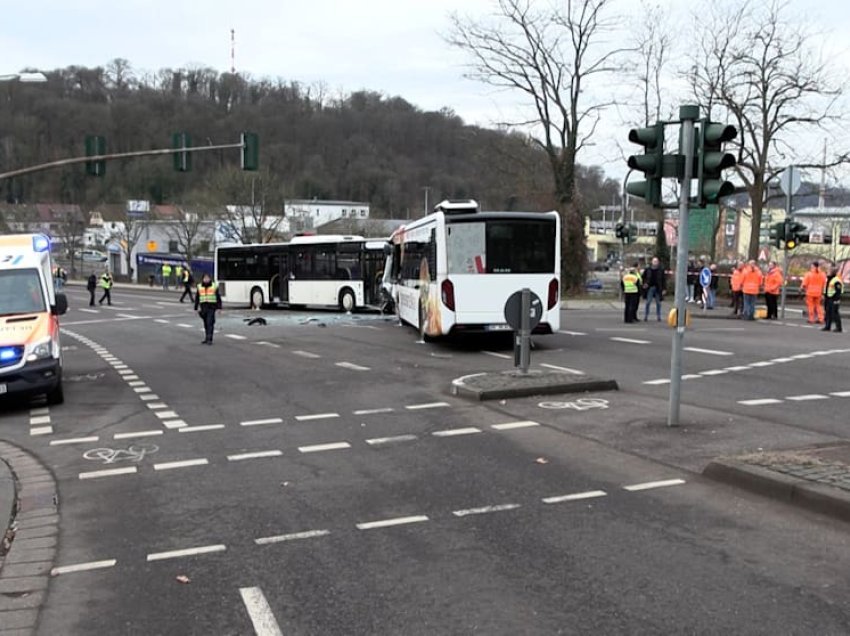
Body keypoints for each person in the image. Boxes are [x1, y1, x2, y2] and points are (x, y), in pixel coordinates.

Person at [194, 273, 222, 344]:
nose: (206, 279)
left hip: (212, 307)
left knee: (210, 322)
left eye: (207, 278)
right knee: (206, 323)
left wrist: (219, 308)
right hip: (203, 307)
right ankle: (207, 337)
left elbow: (218, 298)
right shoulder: (199, 286)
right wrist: (196, 308)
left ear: (210, 279)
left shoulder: (214, 286)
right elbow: (197, 297)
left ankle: (210, 338)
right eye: (205, 278)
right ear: (203, 279)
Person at [642, 256, 665, 321]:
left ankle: (658, 316)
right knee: (648, 302)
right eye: (654, 261)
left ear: (658, 262)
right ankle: (646, 316)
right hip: (650, 287)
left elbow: (663, 279)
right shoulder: (648, 269)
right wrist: (645, 283)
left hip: (658, 288)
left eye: (656, 261)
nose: (655, 262)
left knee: (658, 303)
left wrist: (664, 288)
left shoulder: (661, 270)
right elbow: (643, 277)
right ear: (652, 262)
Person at [823, 267, 843, 333]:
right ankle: (827, 326)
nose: (827, 272)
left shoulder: (836, 280)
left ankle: (838, 327)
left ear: (832, 272)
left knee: (835, 313)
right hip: (828, 298)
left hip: (833, 299)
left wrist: (836, 300)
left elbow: (838, 291)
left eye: (828, 271)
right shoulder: (828, 279)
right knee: (828, 313)